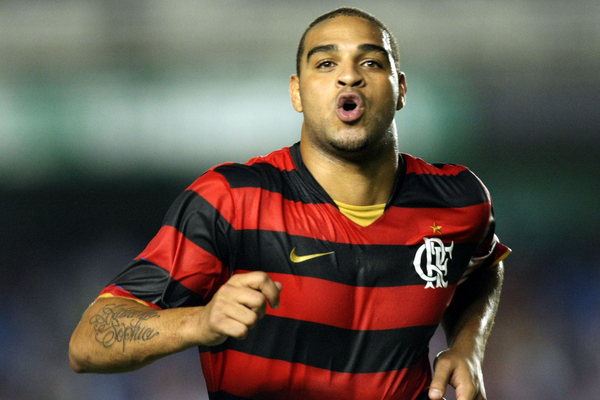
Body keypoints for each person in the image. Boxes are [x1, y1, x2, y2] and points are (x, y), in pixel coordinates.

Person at [69, 7, 510, 400]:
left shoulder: (458, 199)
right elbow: (88, 342)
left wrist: (468, 346)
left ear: (401, 90)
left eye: (371, 62)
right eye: (326, 62)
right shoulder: (232, 200)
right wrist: (198, 322)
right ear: (297, 93)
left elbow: (483, 265)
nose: (349, 75)